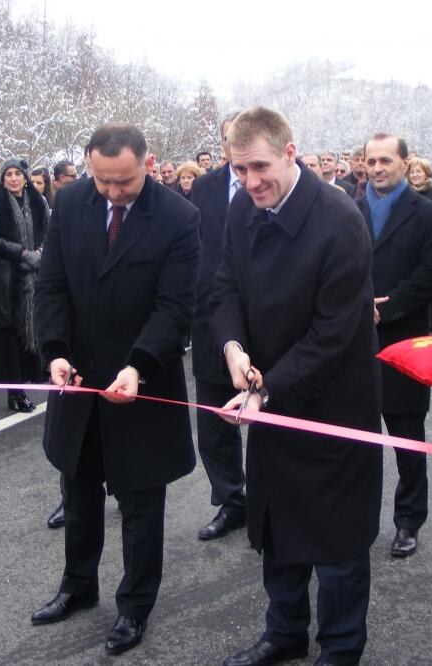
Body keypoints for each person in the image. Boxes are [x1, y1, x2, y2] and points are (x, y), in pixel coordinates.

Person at [212, 107, 382, 666]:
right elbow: (225, 286)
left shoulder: (339, 218)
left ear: (290, 152)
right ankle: (284, 631)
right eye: (239, 171)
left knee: (335, 540)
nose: (250, 182)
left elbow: (333, 332)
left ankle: (340, 645)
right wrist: (234, 349)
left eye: (259, 167)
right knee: (277, 527)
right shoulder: (241, 210)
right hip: (269, 396)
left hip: (332, 403)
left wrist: (268, 391)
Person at [31, 124, 199, 656]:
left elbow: (175, 307)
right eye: (102, 181)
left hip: (139, 386)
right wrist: (54, 349)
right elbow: (51, 284)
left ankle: (134, 608)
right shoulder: (71, 203)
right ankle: (78, 586)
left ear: (147, 165)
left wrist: (140, 365)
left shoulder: (178, 217)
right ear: (87, 165)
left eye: (123, 182)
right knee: (77, 494)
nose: (112, 192)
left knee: (140, 506)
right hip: (79, 382)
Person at [356, 133, 432, 559]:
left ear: (406, 162)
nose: (377, 168)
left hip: (404, 339)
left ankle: (409, 521)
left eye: (386, 161)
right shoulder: (349, 210)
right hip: (354, 342)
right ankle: (355, 518)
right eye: (371, 161)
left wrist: (386, 308)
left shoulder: (430, 214)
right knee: (356, 438)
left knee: (408, 437)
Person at [190, 109, 248, 542]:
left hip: (263, 318)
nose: (237, 147)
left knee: (269, 416)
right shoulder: (205, 187)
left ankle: (271, 499)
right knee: (213, 424)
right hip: (210, 316)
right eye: (230, 139)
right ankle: (232, 500)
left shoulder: (274, 182)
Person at [0, 158, 48, 412]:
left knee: (31, 329)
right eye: (8, 174)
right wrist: (21, 253)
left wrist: (41, 251)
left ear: (25, 177)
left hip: (34, 275)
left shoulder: (37, 201)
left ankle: (32, 378)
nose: (13, 178)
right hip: (5, 277)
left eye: (17, 174)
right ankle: (14, 392)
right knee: (9, 336)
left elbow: (47, 230)